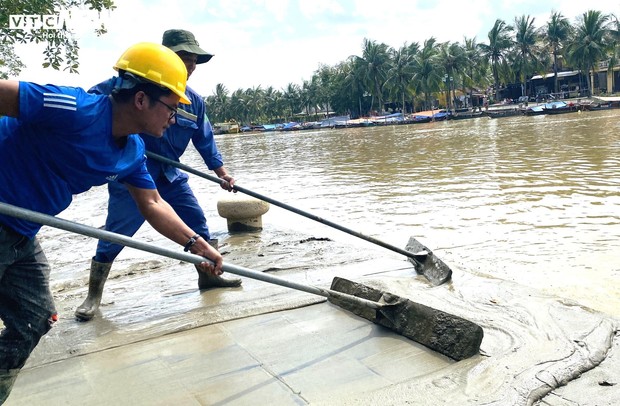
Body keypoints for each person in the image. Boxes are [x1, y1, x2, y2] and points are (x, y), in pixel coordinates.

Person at [0, 42, 225, 403]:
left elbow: (152, 204)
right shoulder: (74, 107)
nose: (174, 117)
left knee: (35, 319)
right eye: (171, 107)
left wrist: (198, 246)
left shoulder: (133, 151)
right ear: (140, 100)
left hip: (21, 231)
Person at [75, 29, 241, 322]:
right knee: (115, 235)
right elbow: (93, 103)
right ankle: (93, 296)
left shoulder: (193, 103)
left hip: (171, 176)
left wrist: (223, 174)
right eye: (182, 59)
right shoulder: (132, 87)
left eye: (192, 61)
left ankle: (209, 279)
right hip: (132, 176)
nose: (189, 67)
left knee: (198, 227)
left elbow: (205, 140)